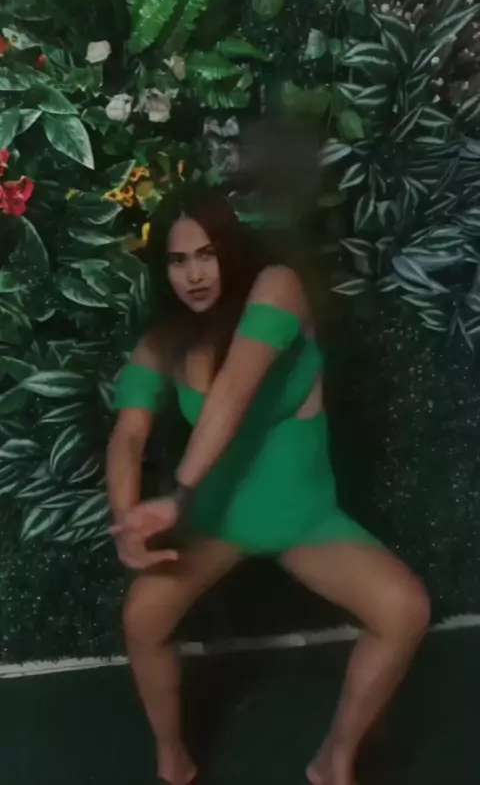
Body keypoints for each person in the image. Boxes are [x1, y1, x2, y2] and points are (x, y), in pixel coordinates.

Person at [107, 188, 430, 785]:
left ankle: (335, 758)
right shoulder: (163, 342)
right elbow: (128, 435)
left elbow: (232, 393)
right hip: (217, 521)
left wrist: (175, 496)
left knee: (405, 610)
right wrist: (126, 518)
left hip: (303, 516)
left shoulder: (277, 286)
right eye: (178, 261)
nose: (194, 274)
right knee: (142, 620)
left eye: (207, 254)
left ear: (230, 250)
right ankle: (172, 759)